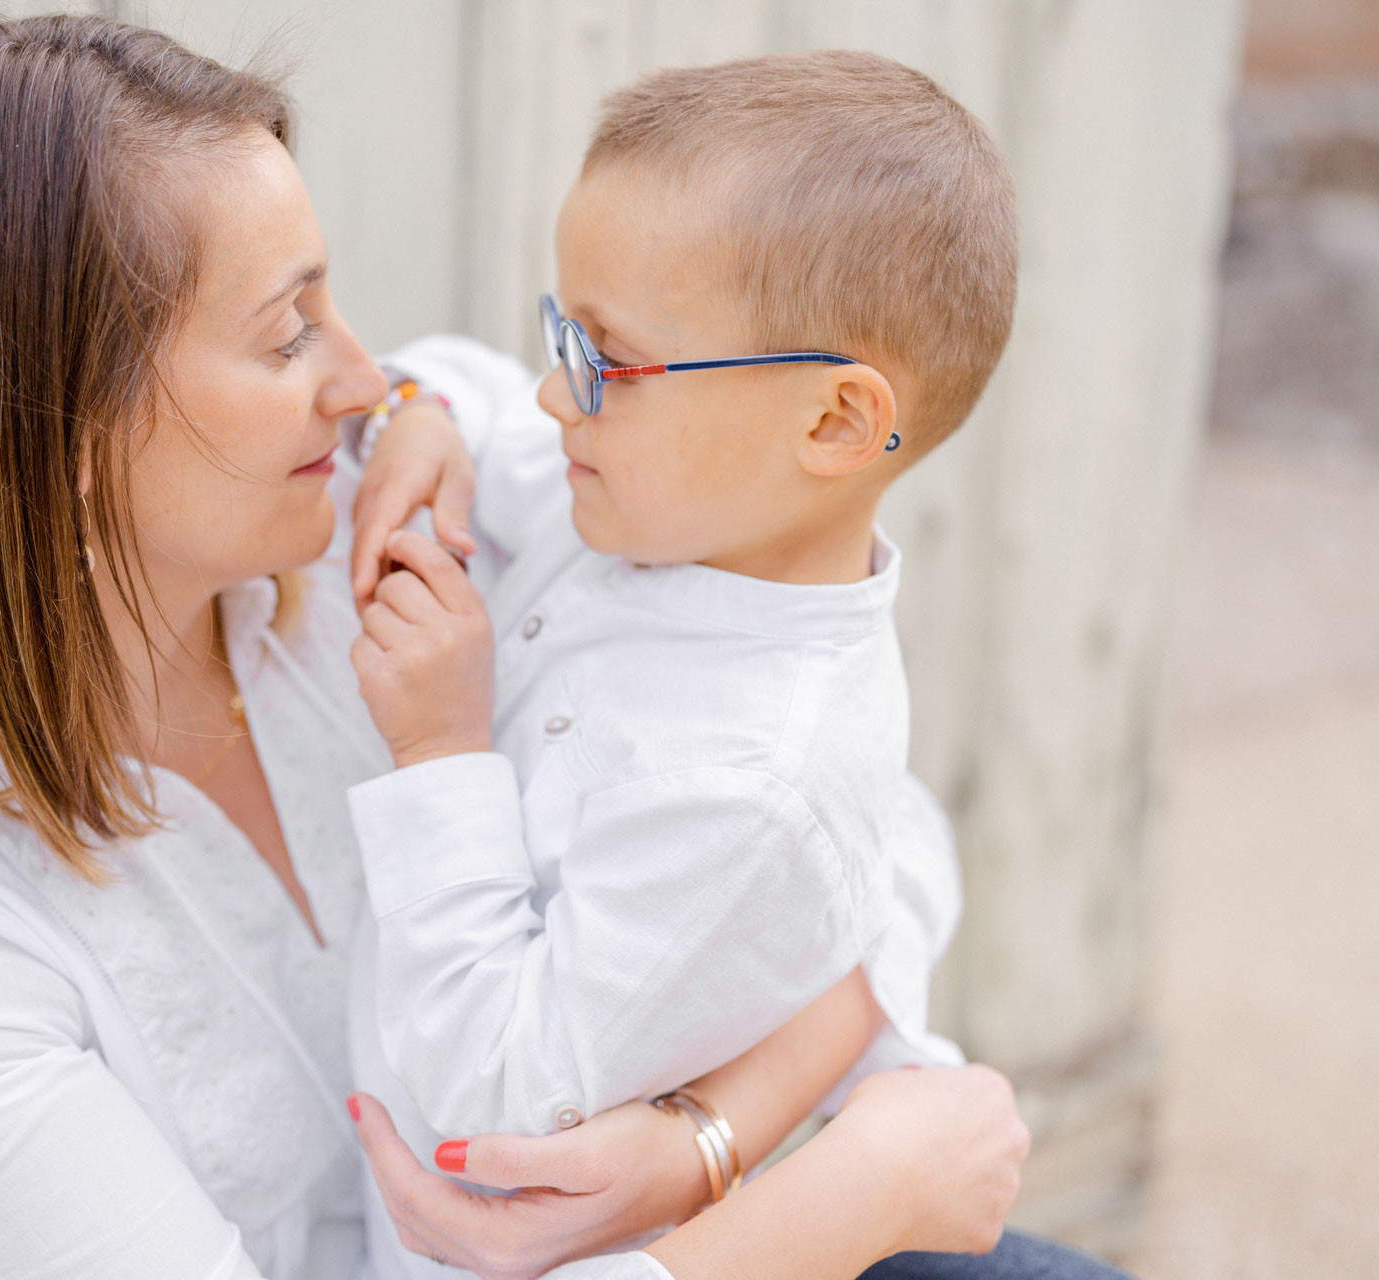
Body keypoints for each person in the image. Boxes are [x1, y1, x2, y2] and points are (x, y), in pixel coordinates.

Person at [0, 16, 1032, 1279]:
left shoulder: (388, 519)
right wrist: (850, 1193)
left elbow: (872, 829)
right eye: (288, 332)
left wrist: (709, 1140)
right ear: (55, 425)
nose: (362, 379)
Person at [337, 52, 1059, 1280]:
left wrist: (440, 753)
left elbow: (490, 1101)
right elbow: (475, 385)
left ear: (833, 424)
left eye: (605, 358)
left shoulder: (752, 780)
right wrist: (424, 410)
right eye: (562, 330)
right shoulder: (646, 498)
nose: (559, 396)